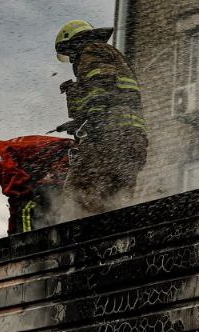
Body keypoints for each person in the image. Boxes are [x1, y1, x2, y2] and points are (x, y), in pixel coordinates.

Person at [53, 20, 147, 211]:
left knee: (77, 193)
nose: (71, 59)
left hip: (110, 138)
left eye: (70, 53)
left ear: (74, 43)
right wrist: (79, 122)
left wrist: (94, 123)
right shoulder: (110, 55)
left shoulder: (91, 51)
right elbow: (110, 95)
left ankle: (81, 238)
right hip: (132, 141)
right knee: (115, 200)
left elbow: (99, 87)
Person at [0, 132, 73, 234]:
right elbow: (16, 200)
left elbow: (19, 196)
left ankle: (30, 248)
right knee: (40, 201)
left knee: (28, 207)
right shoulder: (3, 152)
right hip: (69, 160)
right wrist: (12, 234)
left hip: (68, 161)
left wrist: (16, 238)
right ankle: (52, 238)